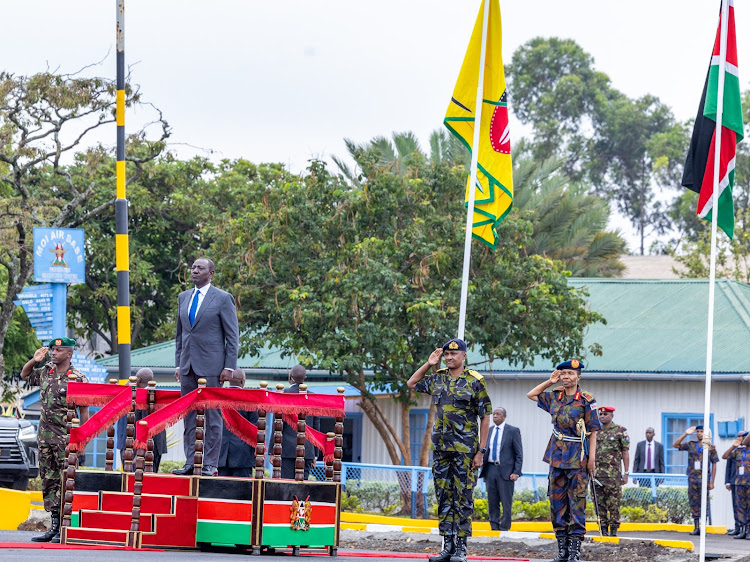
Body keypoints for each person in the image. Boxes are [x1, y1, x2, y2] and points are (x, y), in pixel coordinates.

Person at [407, 339, 491, 562]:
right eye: (446, 355)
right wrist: (428, 364)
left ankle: (461, 548)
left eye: (454, 354)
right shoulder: (438, 378)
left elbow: (485, 417)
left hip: (466, 450)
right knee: (444, 497)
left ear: (464, 356)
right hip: (442, 449)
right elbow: (412, 383)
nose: (449, 358)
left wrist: (481, 450)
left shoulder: (475, 382)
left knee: (463, 497)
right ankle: (448, 546)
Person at [526, 359, 600, 562]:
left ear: (579, 377)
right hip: (556, 456)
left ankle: (574, 552)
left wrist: (591, 458)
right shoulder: (554, 397)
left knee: (576, 503)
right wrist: (550, 382)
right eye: (563, 373)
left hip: (578, 457)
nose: (567, 377)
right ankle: (562, 551)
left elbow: (593, 430)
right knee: (557, 503)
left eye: (570, 373)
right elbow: (531, 394)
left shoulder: (586, 399)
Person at [173, 257, 239, 477]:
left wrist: (229, 366)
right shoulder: (183, 297)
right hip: (188, 366)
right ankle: (191, 462)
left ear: (211, 273)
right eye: (193, 267)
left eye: (200, 268)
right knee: (189, 416)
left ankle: (210, 464)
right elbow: (181, 336)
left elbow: (232, 335)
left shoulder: (222, 298)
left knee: (213, 417)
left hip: (213, 367)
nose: (195, 271)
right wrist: (178, 364)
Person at [20, 338, 89, 543]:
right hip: (44, 438)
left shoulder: (77, 378)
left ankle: (64, 528)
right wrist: (34, 361)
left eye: (58, 350)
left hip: (65, 440)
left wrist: (82, 440)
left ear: (69, 354)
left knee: (64, 482)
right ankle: (54, 526)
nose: (53, 353)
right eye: (52, 350)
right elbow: (25, 375)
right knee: (49, 481)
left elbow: (84, 412)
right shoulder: (46, 372)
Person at [115, 368, 168, 472]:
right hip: (148, 444)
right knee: (149, 478)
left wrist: (141, 452)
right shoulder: (156, 394)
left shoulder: (140, 394)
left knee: (133, 478)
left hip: (137, 444)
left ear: (138, 379)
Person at [479, 407, 522, 531]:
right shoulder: (489, 431)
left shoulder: (513, 431)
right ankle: (494, 526)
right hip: (491, 469)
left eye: (498, 414)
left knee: (505, 501)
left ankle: (504, 527)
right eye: (494, 414)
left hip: (507, 472)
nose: (495, 416)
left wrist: (516, 472)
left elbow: (519, 453)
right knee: (492, 501)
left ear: (504, 416)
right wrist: (484, 471)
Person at [673, 425, 719, 535]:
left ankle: (703, 528)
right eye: (697, 431)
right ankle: (696, 527)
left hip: (704, 479)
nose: (699, 433)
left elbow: (714, 464)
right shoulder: (691, 445)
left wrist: (712, 481)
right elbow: (675, 445)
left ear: (705, 433)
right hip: (693, 478)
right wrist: (686, 434)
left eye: (701, 431)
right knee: (693, 502)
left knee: (704, 502)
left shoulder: (710, 447)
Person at [593, 406, 629, 537]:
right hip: (596, 475)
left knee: (614, 504)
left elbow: (625, 452)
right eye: (601, 414)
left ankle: (613, 531)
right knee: (598, 504)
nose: (602, 416)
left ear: (612, 416)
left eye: (605, 414)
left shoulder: (620, 431)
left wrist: (626, 473)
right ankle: (603, 530)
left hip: (613, 476)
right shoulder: (594, 430)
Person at [281, 365, 321, 480]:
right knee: (302, 489)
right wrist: (315, 453)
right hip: (307, 449)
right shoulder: (312, 397)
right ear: (305, 378)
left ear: (290, 377)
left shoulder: (283, 394)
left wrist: (272, 450)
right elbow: (315, 428)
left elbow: (278, 424)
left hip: (286, 449)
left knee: (286, 487)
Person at [218, 368, 258, 477]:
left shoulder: (220, 397)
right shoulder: (250, 399)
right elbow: (254, 428)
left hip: (222, 451)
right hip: (243, 454)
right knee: (242, 491)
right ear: (242, 381)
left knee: (221, 490)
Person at [722, 431, 750, 539]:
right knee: (740, 508)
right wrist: (733, 446)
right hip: (739, 483)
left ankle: (749, 531)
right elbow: (725, 456)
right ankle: (743, 530)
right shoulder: (738, 451)